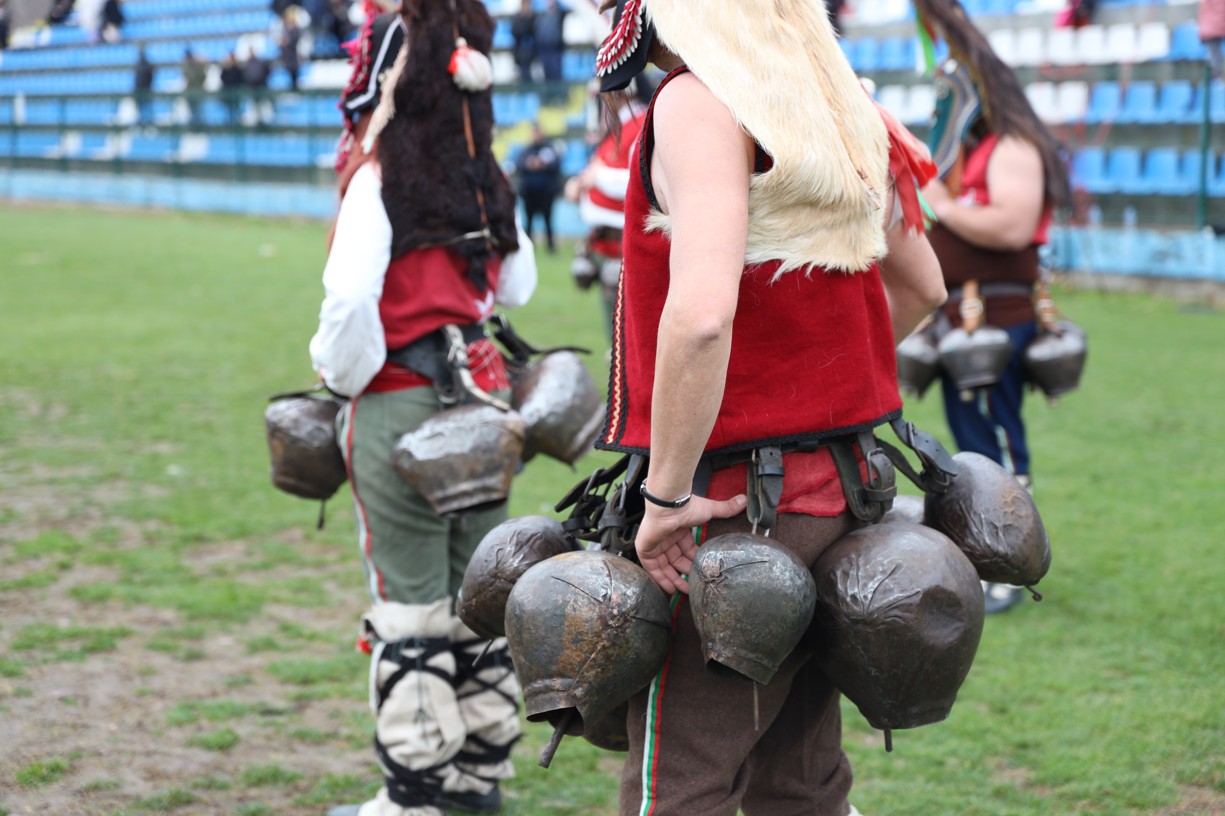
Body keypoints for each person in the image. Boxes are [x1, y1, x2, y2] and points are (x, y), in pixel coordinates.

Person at [589, 0, 945, 813]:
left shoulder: (699, 99)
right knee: (801, 783)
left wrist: (666, 496)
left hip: (729, 508)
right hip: (844, 496)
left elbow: (701, 318)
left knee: (680, 784)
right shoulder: (839, 103)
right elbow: (923, 287)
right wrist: (813, 386)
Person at [310, 1, 534, 814]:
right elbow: (518, 286)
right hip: (483, 402)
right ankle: (478, 774)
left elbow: (348, 304)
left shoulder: (381, 176)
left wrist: (341, 377)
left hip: (399, 401)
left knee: (409, 605)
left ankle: (413, 795)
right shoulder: (485, 181)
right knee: (477, 595)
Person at [914, 0, 1071, 614]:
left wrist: (944, 205)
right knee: (974, 439)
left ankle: (1009, 562)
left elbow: (1011, 225)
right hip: (963, 318)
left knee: (997, 442)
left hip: (996, 318)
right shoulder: (972, 154)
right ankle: (990, 554)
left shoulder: (1012, 146)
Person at [563, 78, 649, 339]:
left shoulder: (641, 125)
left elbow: (641, 182)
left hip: (625, 240)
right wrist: (580, 184)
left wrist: (596, 177)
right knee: (613, 320)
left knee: (629, 324)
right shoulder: (618, 127)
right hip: (605, 241)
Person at [514, 123, 562, 253]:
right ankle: (528, 246)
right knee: (529, 221)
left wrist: (542, 164)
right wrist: (529, 164)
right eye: (534, 132)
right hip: (529, 193)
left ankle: (551, 247)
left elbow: (557, 164)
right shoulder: (526, 150)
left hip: (546, 193)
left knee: (548, 220)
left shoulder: (549, 149)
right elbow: (519, 165)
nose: (536, 135)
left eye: (538, 132)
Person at [533, 0, 566, 101]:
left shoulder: (559, 14)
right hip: (543, 50)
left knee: (556, 76)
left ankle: (559, 99)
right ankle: (549, 100)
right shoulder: (542, 16)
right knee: (547, 76)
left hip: (555, 50)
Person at [509, 0, 537, 83]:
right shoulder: (516, 17)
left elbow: (533, 32)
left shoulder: (533, 17)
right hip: (519, 53)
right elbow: (515, 31)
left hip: (530, 53)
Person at [181, 48, 207, 127]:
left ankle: (199, 126)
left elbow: (202, 77)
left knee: (199, 111)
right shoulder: (186, 66)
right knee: (192, 110)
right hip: (190, 92)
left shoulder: (197, 65)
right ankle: (194, 126)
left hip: (198, 91)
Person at [278, 9, 303, 91]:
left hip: (293, 60)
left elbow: (288, 41)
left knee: (294, 80)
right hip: (286, 59)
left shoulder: (296, 30)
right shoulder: (285, 29)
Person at [1200, 0, 1225, 78]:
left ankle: (1217, 72)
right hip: (1213, 30)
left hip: (1211, 30)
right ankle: (1217, 72)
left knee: (1213, 54)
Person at [219, 51, 245, 124]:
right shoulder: (225, 69)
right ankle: (229, 123)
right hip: (227, 93)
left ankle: (238, 123)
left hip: (236, 93)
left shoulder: (238, 69)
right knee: (228, 110)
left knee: (237, 110)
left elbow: (240, 79)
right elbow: (223, 78)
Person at [133, 46, 154, 125]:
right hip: (140, 89)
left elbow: (151, 76)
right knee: (141, 107)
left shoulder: (146, 65)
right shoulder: (138, 65)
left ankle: (148, 121)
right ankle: (142, 121)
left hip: (145, 89)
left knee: (146, 106)